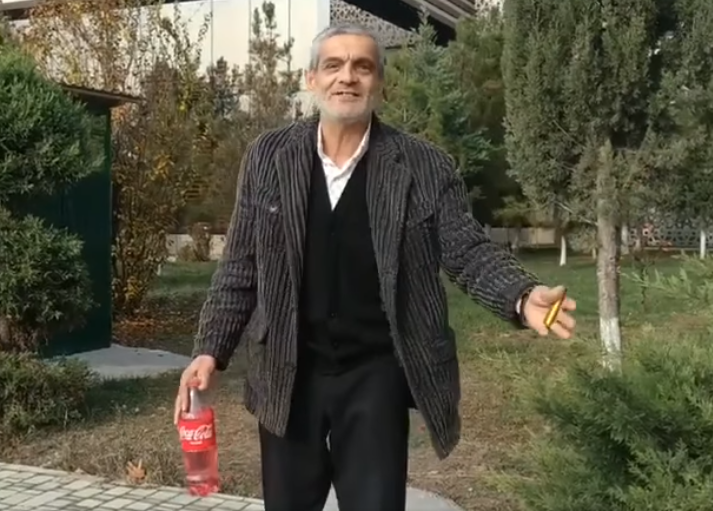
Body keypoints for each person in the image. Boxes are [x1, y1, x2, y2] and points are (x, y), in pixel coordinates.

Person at [175, 22, 577, 511]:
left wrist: (520, 295)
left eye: (362, 67)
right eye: (333, 65)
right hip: (287, 372)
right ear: (311, 79)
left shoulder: (423, 165)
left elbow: (467, 249)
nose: (347, 77)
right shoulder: (269, 156)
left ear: (379, 83)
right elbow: (240, 266)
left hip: (376, 375)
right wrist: (209, 351)